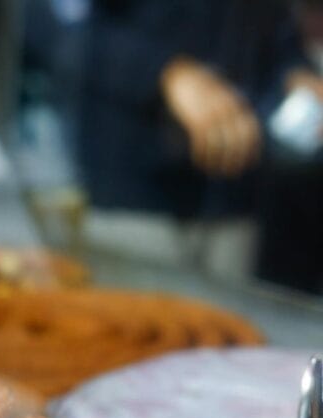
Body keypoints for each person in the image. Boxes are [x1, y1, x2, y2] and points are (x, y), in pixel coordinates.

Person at [23, 0, 323, 281]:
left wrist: (295, 71)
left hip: (235, 197)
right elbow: (49, 23)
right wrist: (165, 72)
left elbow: (276, 32)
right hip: (130, 201)